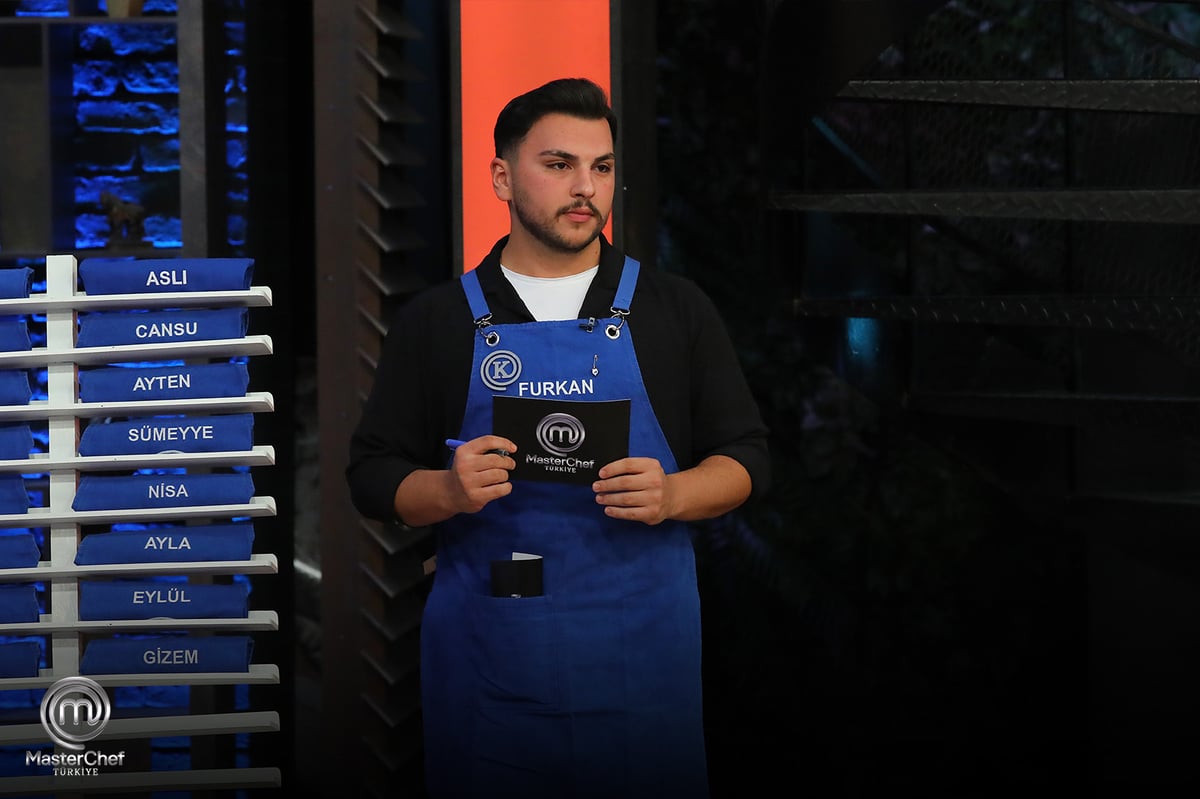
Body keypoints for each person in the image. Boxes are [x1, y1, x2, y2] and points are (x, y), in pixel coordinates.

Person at [346, 77, 769, 798]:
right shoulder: (438, 321)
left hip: (643, 661)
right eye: (559, 164)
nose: (585, 188)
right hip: (489, 659)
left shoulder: (674, 310)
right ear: (502, 177)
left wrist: (674, 494)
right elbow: (371, 476)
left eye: (601, 167)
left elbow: (748, 457)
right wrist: (448, 489)